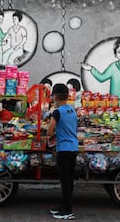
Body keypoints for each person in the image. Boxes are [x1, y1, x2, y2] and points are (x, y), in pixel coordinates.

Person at [81, 37, 120, 105]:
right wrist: (91, 69)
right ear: (115, 52)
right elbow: (101, 78)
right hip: (114, 102)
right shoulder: (113, 67)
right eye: (119, 52)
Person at [47, 84, 78, 220]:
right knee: (69, 180)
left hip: (64, 149)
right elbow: (71, 128)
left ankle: (67, 210)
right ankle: (65, 206)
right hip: (73, 148)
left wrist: (52, 133)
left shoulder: (57, 112)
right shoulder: (72, 110)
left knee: (65, 181)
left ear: (55, 96)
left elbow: (49, 131)